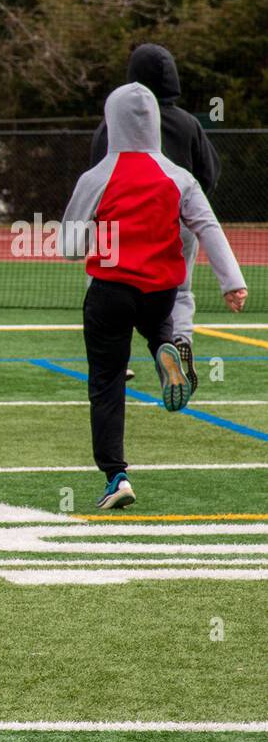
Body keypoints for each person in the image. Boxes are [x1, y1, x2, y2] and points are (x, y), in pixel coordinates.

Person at [62, 83, 246, 510]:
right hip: (160, 292)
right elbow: (208, 227)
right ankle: (168, 353)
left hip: (109, 293)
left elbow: (69, 247)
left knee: (106, 382)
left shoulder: (97, 177)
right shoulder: (179, 177)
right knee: (159, 328)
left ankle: (117, 475)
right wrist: (231, 282)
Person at [89, 44, 247, 390]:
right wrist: (187, 207)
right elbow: (209, 171)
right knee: (180, 291)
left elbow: (98, 173)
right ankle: (180, 346)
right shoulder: (188, 123)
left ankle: (119, 360)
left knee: (108, 284)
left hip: (123, 223)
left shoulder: (111, 125)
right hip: (177, 220)